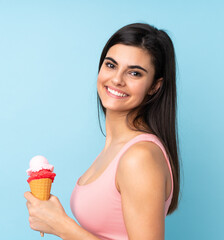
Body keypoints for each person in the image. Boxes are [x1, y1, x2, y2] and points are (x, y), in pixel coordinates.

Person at [24, 22, 180, 240]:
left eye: (134, 73)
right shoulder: (116, 149)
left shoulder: (139, 157)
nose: (116, 79)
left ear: (155, 86)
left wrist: (61, 225)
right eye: (111, 65)